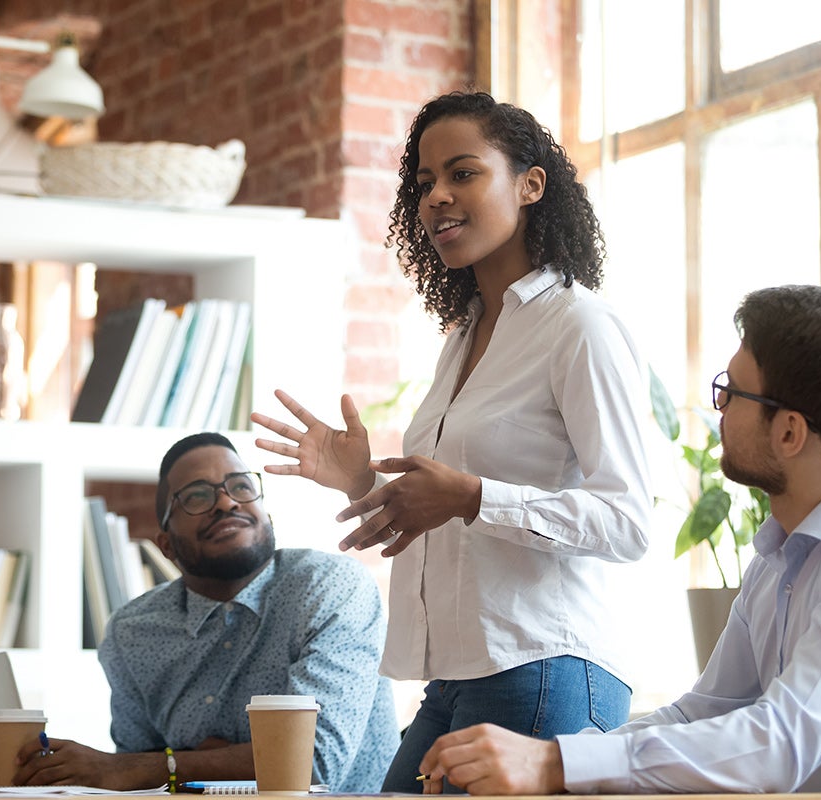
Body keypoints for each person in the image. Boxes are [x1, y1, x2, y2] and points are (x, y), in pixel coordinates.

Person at [250, 89, 652, 792]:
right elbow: (450, 505)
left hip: (547, 667)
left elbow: (627, 522)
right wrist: (360, 483)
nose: (437, 197)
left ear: (531, 185)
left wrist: (470, 496)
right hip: (458, 678)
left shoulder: (578, 328)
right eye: (424, 182)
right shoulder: (464, 338)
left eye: (463, 173)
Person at [418, 284, 821, 794]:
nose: (717, 405)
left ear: (789, 432)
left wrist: (556, 766)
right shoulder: (779, 555)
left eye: (732, 392)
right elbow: (703, 712)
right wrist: (562, 759)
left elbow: (779, 743)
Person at [12, 432, 400, 793]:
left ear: (268, 517)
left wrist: (167, 765)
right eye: (197, 497)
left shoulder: (330, 587)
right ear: (166, 544)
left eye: (242, 487)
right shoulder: (131, 633)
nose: (227, 502)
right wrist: (204, 762)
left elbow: (309, 764)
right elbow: (137, 781)